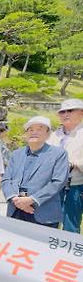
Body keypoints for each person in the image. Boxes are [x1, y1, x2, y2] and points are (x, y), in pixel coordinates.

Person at [2, 116, 69, 228]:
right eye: (30, 129)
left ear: (48, 134)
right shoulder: (16, 154)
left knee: (41, 245)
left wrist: (32, 200)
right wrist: (16, 200)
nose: (34, 132)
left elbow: (58, 182)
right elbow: (6, 179)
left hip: (43, 212)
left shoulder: (59, 154)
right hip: (16, 209)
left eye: (39, 129)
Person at [48, 99, 83, 233]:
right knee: (48, 222)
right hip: (51, 186)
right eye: (62, 111)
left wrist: (73, 162)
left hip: (75, 186)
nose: (65, 114)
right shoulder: (54, 134)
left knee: (70, 225)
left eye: (70, 110)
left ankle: (69, 253)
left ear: (81, 113)